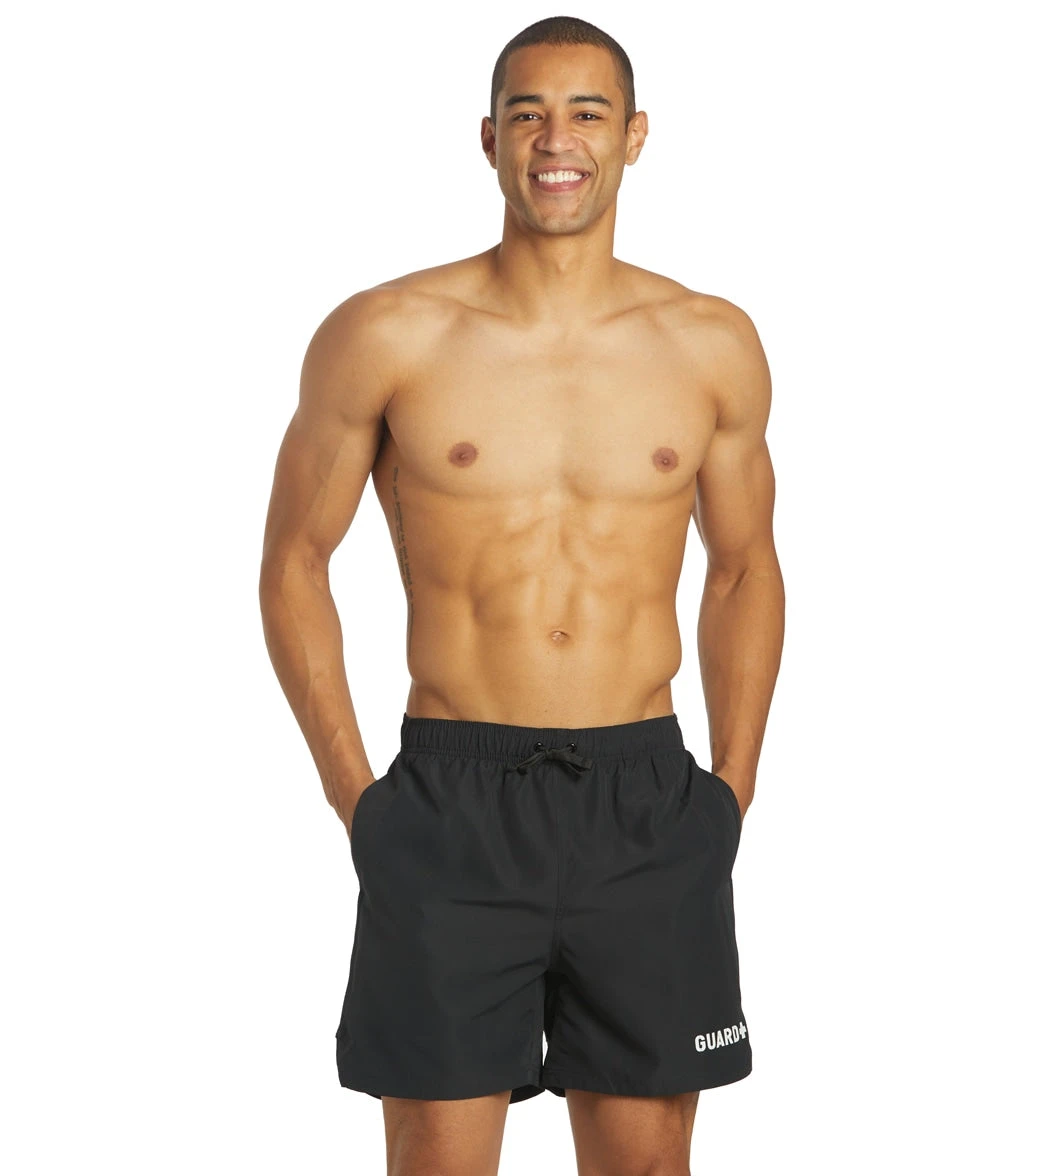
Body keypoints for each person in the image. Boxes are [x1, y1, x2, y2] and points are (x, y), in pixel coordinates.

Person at [259, 14, 784, 1175]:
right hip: (451, 804)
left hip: (646, 803)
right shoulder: (386, 334)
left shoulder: (710, 344)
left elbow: (745, 565)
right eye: (528, 114)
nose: (557, 139)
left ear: (634, 136)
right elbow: (295, 559)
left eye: (587, 112)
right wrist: (360, 803)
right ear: (489, 138)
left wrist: (730, 795)